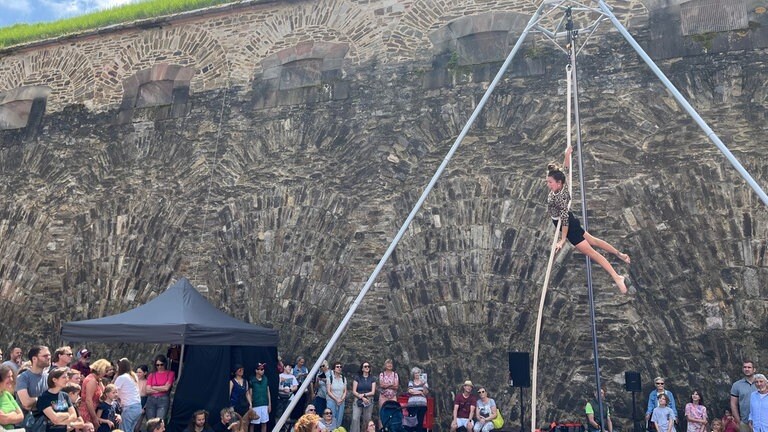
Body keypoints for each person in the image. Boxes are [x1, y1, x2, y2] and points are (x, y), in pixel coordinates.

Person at [546, 146, 630, 293]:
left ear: (558, 183)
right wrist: (567, 155)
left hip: (569, 227)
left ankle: (617, 277)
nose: (548, 185)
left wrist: (562, 239)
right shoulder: (562, 185)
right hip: (570, 221)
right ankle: (620, 255)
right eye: (548, 182)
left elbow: (564, 220)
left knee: (593, 253)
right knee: (594, 241)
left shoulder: (561, 197)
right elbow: (565, 169)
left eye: (550, 182)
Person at [36, 368, 78, 432]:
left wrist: (61, 422)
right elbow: (55, 418)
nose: (67, 380)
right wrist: (67, 414)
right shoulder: (44, 397)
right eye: (64, 377)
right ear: (54, 380)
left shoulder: (65, 396)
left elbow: (74, 416)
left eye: (67, 377)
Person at [17, 345, 51, 418]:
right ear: (34, 359)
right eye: (45, 356)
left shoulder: (49, 377)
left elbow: (55, 401)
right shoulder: (23, 377)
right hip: (28, 424)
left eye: (49, 355)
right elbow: (26, 403)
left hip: (46, 422)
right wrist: (45, 399)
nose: (48, 358)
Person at [81, 359, 111, 427]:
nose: (106, 373)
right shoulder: (92, 381)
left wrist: (100, 380)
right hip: (88, 412)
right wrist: (94, 418)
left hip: (93, 411)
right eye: (106, 371)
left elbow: (104, 392)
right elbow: (88, 400)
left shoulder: (96, 380)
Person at [114, 359, 141, 432]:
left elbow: (113, 389)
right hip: (137, 407)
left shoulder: (121, 377)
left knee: (124, 430)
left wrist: (116, 375)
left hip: (129, 408)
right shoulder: (133, 376)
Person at [145, 355, 175, 421]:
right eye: (157, 365)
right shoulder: (151, 375)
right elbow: (147, 390)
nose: (159, 367)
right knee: (150, 421)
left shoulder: (170, 373)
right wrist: (161, 389)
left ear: (165, 364)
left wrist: (154, 387)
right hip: (151, 400)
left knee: (159, 421)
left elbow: (166, 388)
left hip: (163, 399)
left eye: (161, 364)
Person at [731, 361, 757, 432]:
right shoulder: (737, 385)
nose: (747, 369)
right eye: (745, 367)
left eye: (749, 367)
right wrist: (738, 421)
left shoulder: (761, 383)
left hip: (761, 421)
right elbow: (733, 404)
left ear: (754, 369)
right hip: (745, 422)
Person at [351, 362, 376, 432]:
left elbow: (373, 392)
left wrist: (364, 395)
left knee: (367, 419)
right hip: (358, 399)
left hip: (368, 400)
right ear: (362, 368)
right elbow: (354, 391)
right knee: (355, 418)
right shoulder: (357, 378)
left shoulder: (372, 378)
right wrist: (361, 397)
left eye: (368, 366)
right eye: (365, 366)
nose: (367, 368)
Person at [0, 364, 24, 429]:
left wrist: (7, 417)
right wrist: (13, 414)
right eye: (8, 376)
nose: (11, 379)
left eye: (12, 376)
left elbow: (21, 416)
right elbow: (2, 419)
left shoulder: (8, 395)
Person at [249, 363, 270, 432]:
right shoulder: (252, 380)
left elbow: (268, 391)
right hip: (255, 404)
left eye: (263, 369)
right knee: (252, 424)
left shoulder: (265, 378)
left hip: (264, 404)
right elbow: (250, 393)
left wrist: (269, 404)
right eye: (261, 369)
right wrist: (250, 405)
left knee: (264, 423)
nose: (262, 370)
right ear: (256, 370)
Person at [406, 367, 428, 432]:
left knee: (420, 422)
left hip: (422, 405)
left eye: (418, 373)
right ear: (413, 374)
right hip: (412, 405)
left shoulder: (424, 382)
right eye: (415, 373)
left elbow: (425, 393)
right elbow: (410, 391)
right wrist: (420, 392)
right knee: (412, 422)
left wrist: (423, 385)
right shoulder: (411, 382)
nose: (417, 374)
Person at [326, 363, 347, 429]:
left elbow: (345, 391)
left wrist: (341, 399)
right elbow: (329, 391)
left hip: (341, 401)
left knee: (339, 419)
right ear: (334, 369)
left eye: (340, 367)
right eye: (337, 367)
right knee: (331, 418)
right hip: (331, 401)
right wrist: (336, 399)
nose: (339, 368)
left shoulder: (343, 378)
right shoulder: (330, 378)